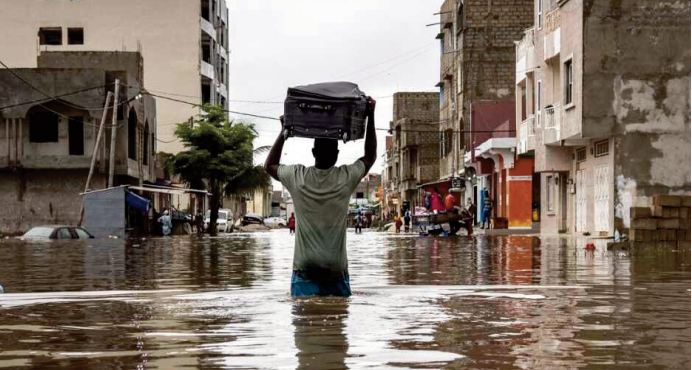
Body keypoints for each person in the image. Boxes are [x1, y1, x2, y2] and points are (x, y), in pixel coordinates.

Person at [264, 99, 376, 297]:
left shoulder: (298, 177)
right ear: (336, 154)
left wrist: (284, 132)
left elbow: (270, 165)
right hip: (336, 271)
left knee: (305, 322)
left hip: (305, 270)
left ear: (313, 152)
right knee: (336, 322)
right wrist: (371, 115)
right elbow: (370, 156)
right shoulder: (345, 178)